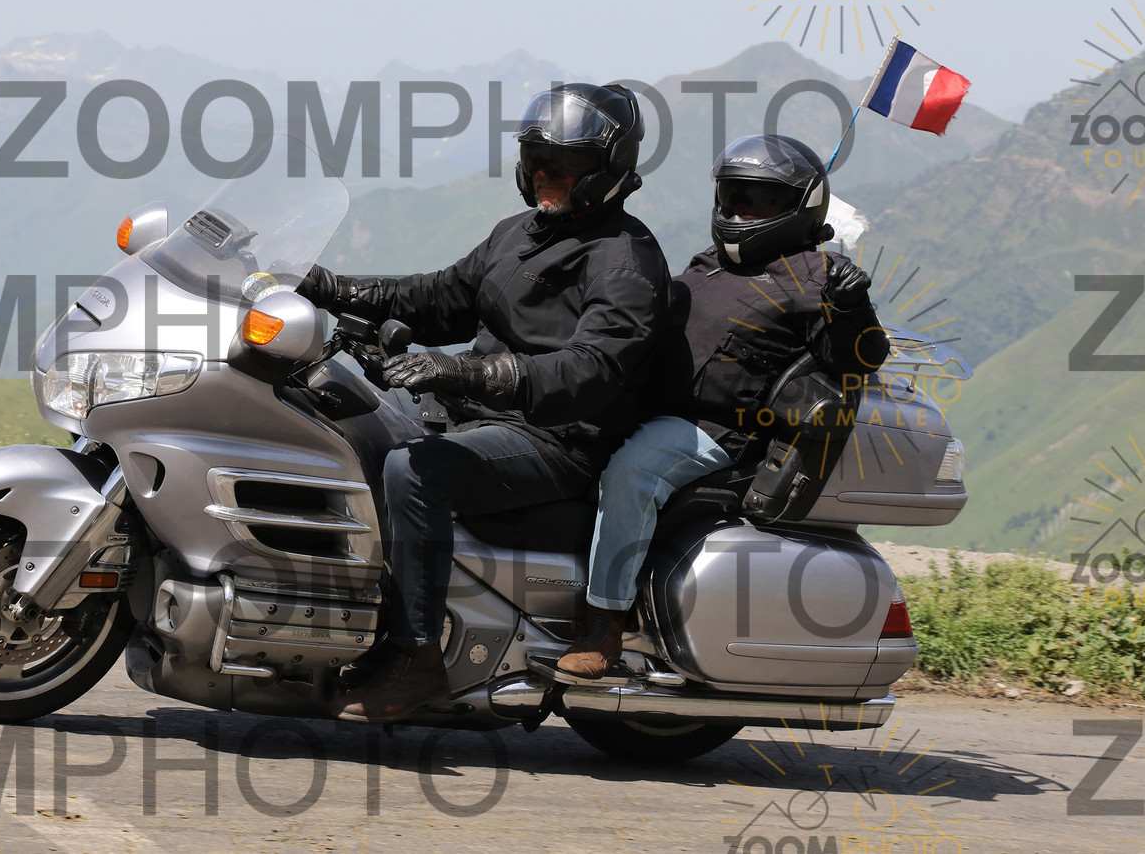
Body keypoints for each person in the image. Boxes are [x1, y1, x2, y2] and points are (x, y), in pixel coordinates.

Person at [298, 82, 669, 723]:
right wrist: (328, 286)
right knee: (343, 416)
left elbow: (593, 368)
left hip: (558, 440)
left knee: (415, 470)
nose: (545, 174)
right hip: (484, 415)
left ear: (608, 169)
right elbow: (437, 296)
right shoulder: (520, 234)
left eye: (564, 163)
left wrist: (470, 373)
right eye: (536, 159)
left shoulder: (625, 260)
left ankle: (416, 658)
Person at [557, 133, 891, 678]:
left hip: (715, 431)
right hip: (647, 407)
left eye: (761, 201)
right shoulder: (711, 262)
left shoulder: (818, 276)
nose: (742, 212)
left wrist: (852, 307)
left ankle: (604, 625)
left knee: (633, 474)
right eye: (735, 197)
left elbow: (859, 360)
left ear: (801, 206)